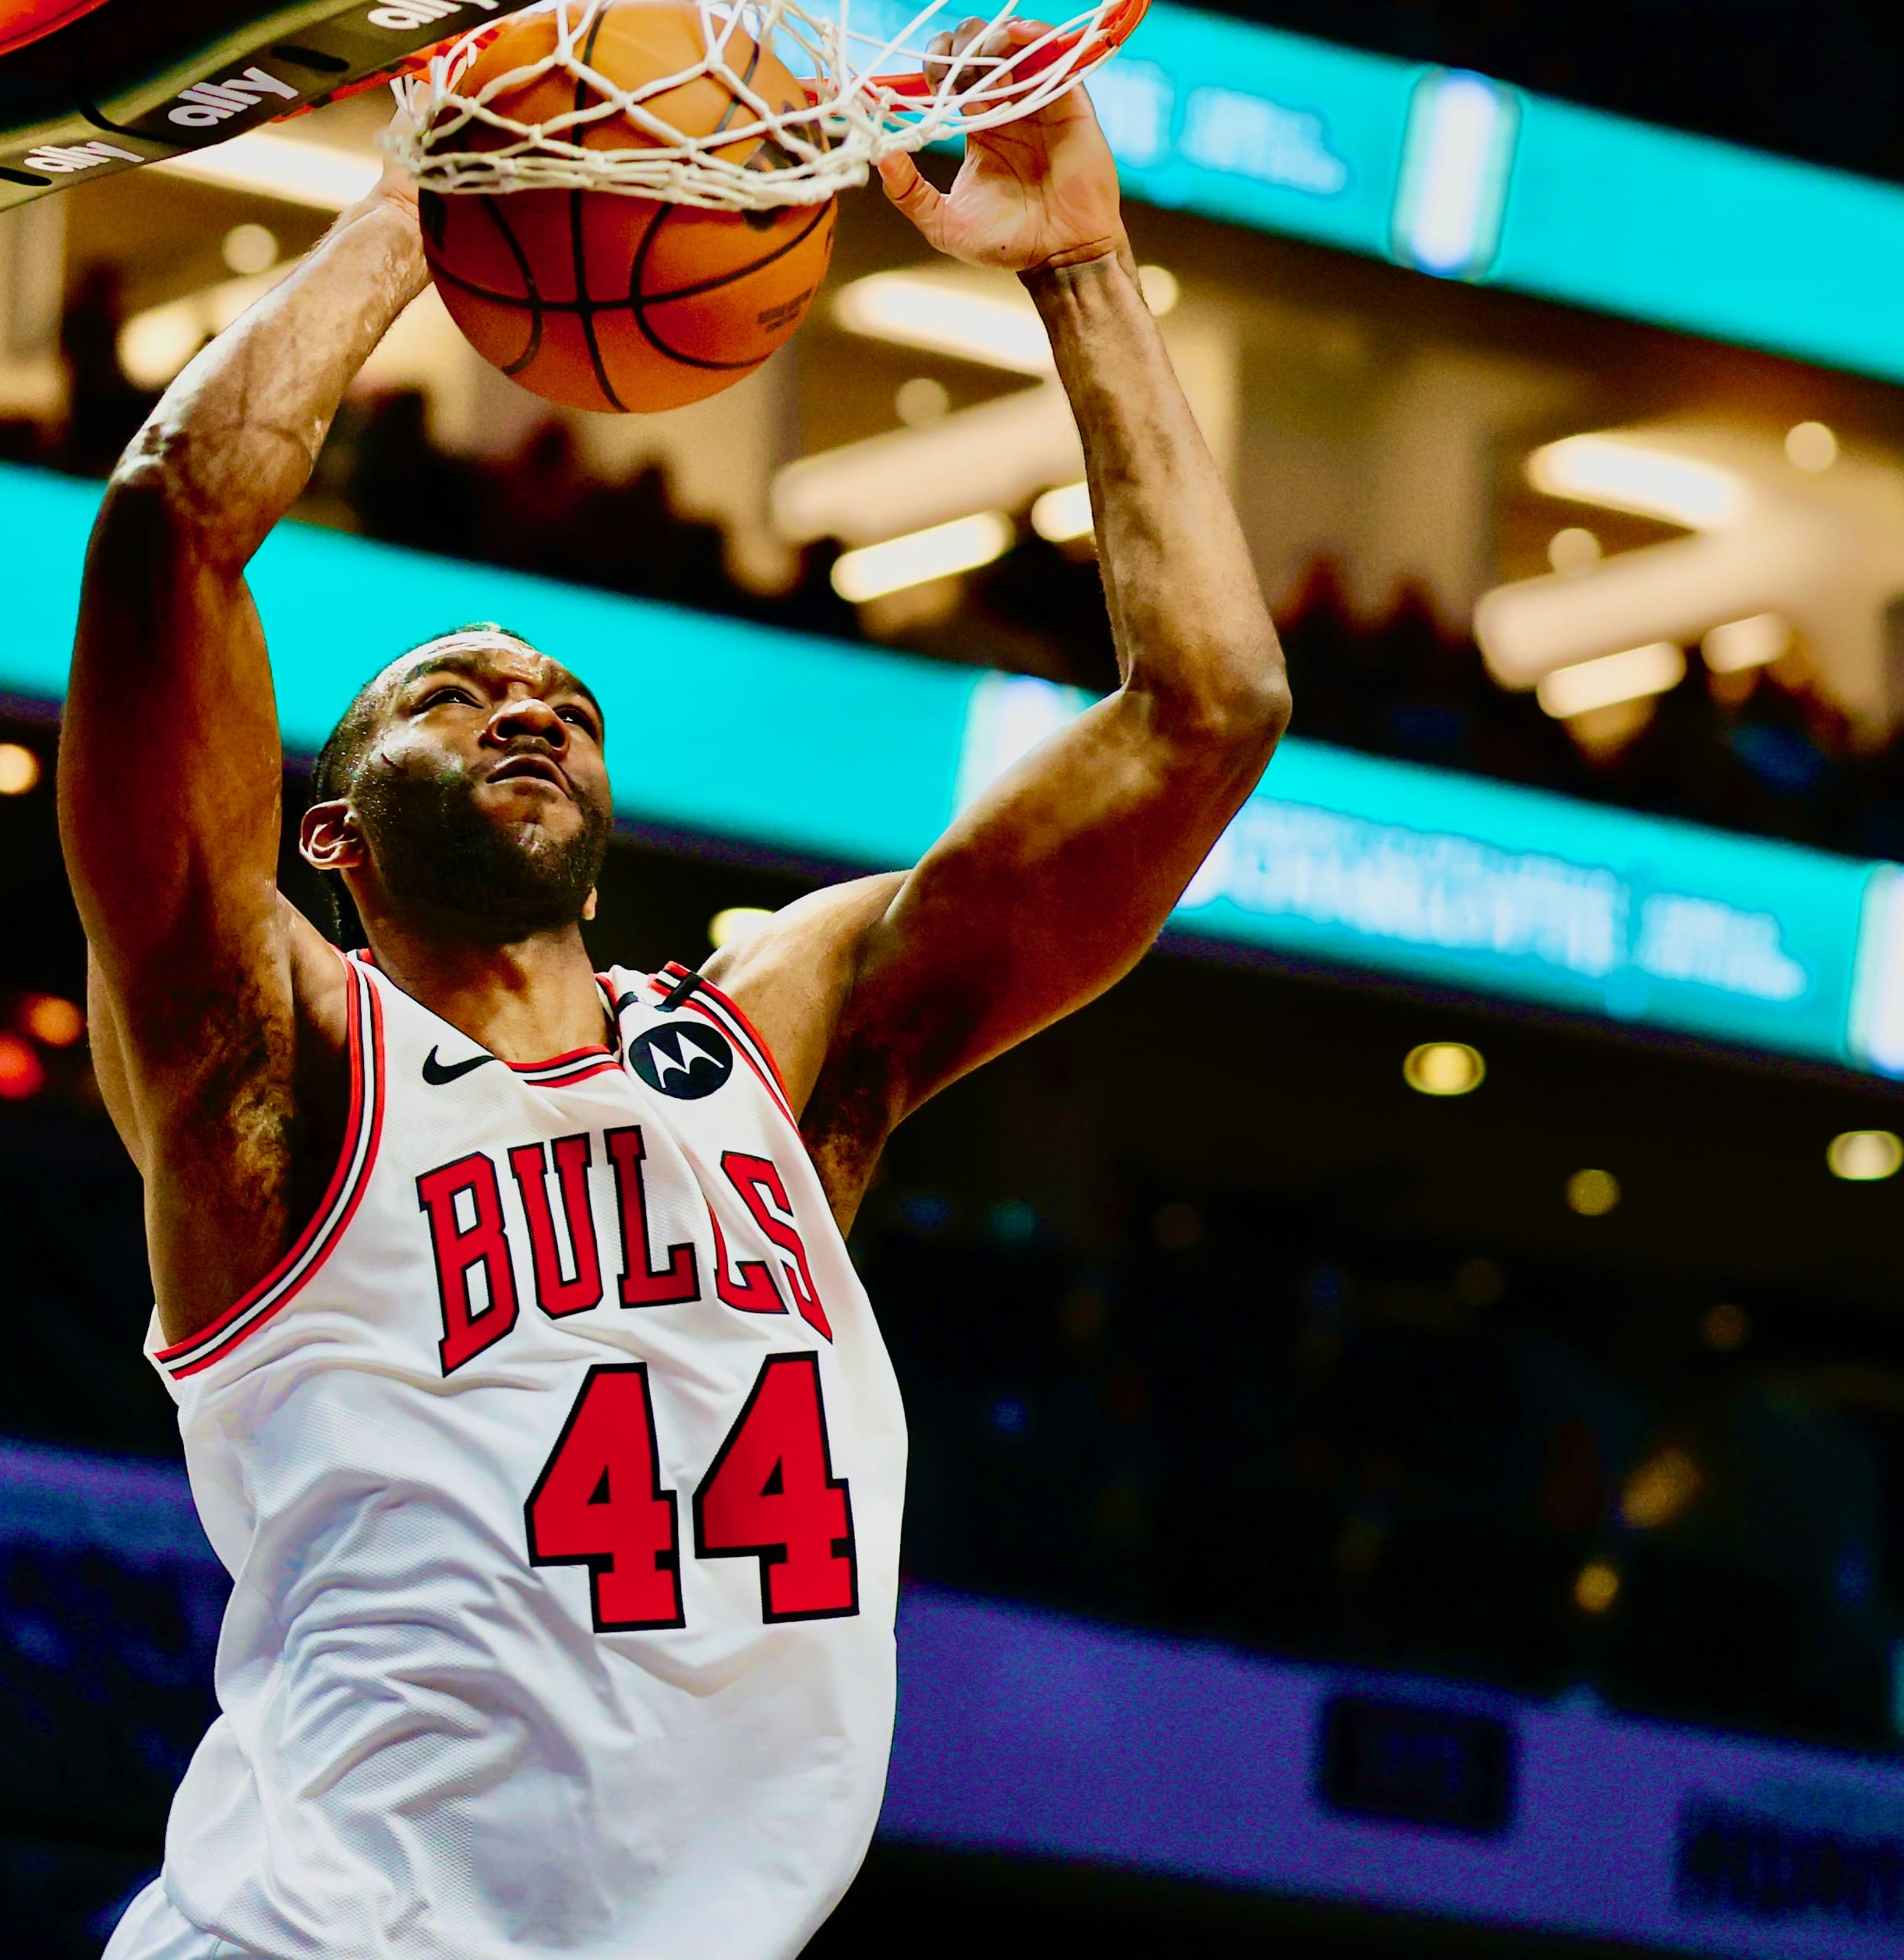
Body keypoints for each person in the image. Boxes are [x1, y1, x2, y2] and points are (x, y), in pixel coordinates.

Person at [69, 26, 1288, 1960]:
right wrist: (429, 197)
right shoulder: (274, 1060)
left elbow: (1210, 714)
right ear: (333, 840)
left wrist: (1078, 268)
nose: (528, 704)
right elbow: (167, 529)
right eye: (451, 696)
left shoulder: (772, 1049)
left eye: (561, 699)